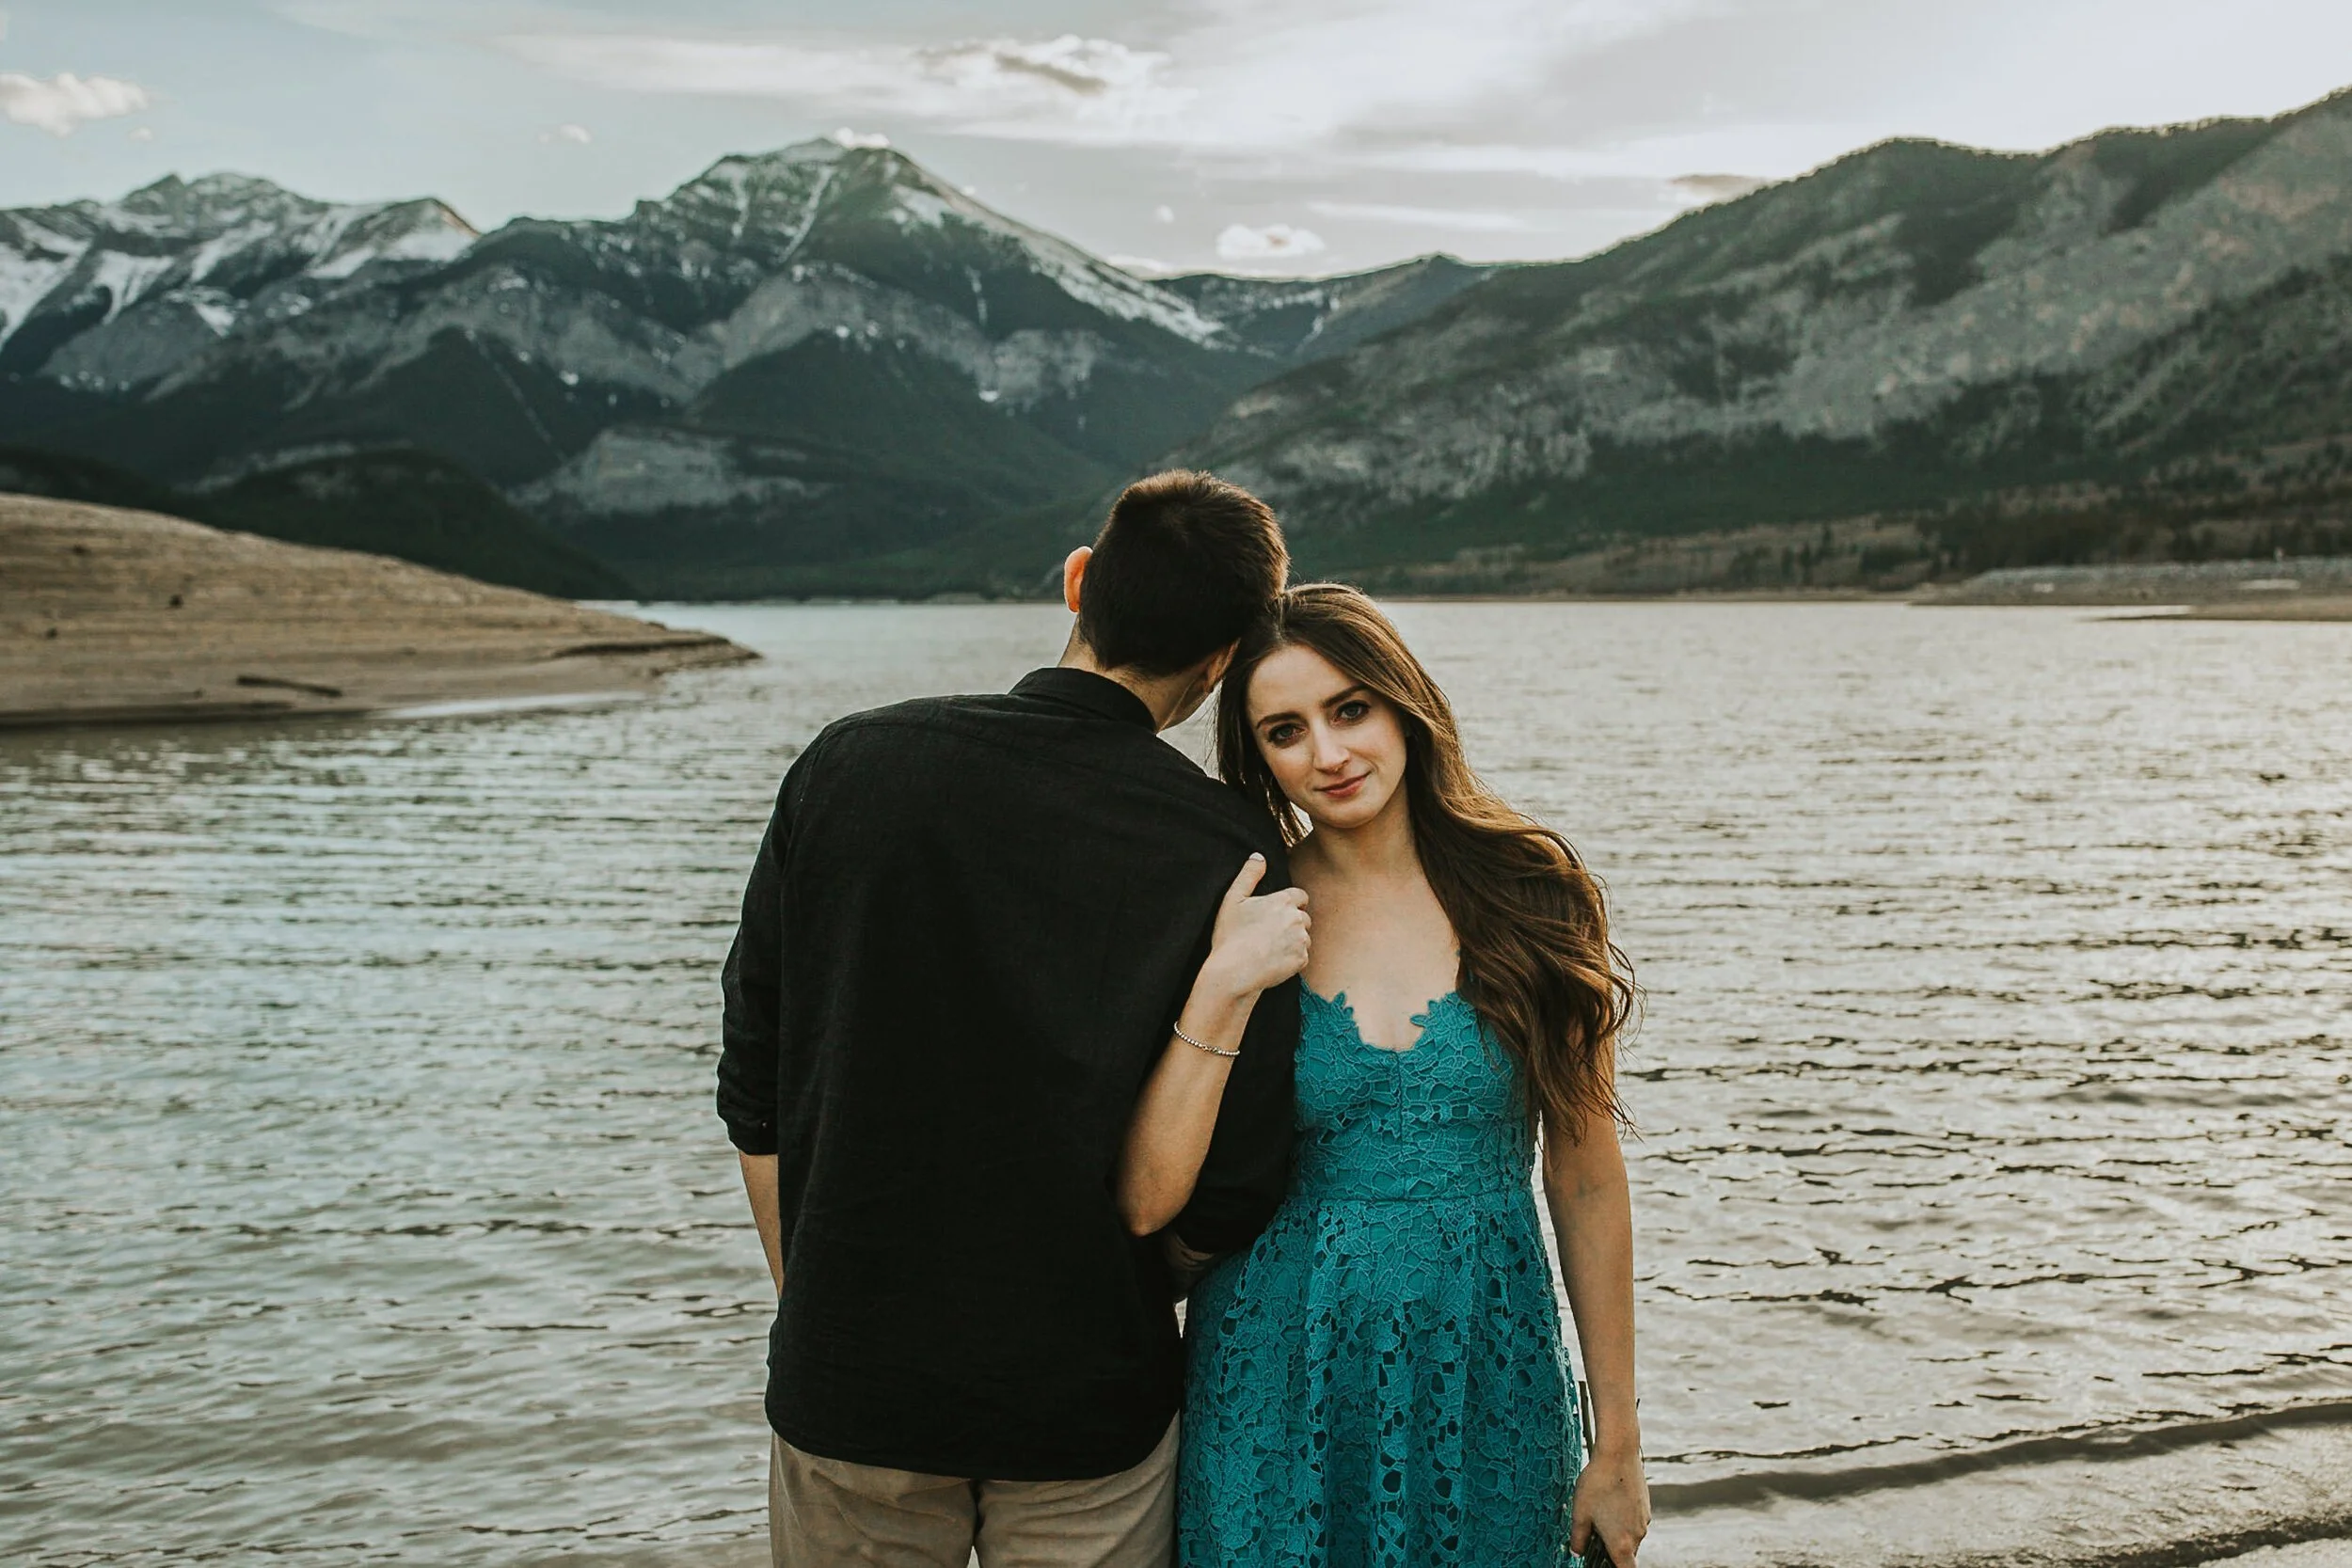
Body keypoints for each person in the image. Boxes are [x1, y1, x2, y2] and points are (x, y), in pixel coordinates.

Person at [716, 470, 1312, 1568]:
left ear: (1078, 584)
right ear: (1224, 659)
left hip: (853, 1385)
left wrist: (816, 1301)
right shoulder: (1224, 849)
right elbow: (1233, 1181)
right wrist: (1111, 1287)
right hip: (1086, 1400)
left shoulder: (846, 767)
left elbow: (754, 1087)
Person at [1124, 583, 1650, 1568]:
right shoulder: (1242, 903)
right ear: (1257, 756)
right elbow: (1153, 1182)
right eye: (1286, 729)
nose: (1326, 753)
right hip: (1275, 1363)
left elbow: (1583, 1173)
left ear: (1404, 701)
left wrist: (1615, 1437)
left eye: (1349, 708)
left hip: (1485, 1357)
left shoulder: (1533, 890)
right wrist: (1221, 979)